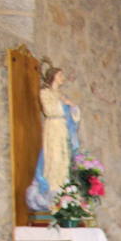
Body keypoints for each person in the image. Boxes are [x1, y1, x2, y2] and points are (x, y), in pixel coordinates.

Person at [28, 66, 81, 211]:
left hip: (63, 129)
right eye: (60, 75)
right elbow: (49, 109)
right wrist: (63, 105)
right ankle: (51, 192)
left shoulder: (61, 94)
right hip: (54, 127)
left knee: (64, 160)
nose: (62, 77)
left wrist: (72, 107)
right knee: (54, 158)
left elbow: (74, 115)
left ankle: (62, 191)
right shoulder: (45, 93)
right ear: (53, 77)